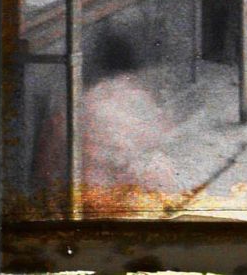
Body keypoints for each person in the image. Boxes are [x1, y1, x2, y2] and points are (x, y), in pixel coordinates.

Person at [31, 26, 184, 213]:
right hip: (98, 198)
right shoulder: (134, 97)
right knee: (159, 166)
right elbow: (154, 140)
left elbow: (46, 166)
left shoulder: (74, 100)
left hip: (68, 196)